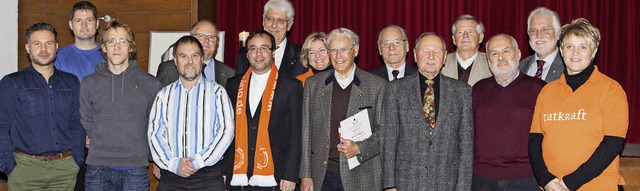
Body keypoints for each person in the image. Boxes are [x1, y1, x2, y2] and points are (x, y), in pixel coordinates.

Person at [529, 18, 628, 191]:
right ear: (561, 50)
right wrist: (546, 179)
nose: (575, 53)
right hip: (552, 187)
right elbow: (534, 141)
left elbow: (613, 144)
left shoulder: (611, 90)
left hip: (597, 186)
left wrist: (570, 182)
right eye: (569, 46)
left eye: (583, 47)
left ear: (594, 51)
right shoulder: (547, 91)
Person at [380, 32, 473, 190]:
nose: (431, 56)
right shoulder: (395, 90)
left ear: (444, 57)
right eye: (425, 51)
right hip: (406, 182)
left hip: (447, 182)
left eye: (436, 52)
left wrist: (463, 187)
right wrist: (389, 185)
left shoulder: (462, 92)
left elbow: (466, 145)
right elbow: (388, 140)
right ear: (415, 55)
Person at [0, 22, 85, 190]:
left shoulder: (71, 82)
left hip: (65, 169)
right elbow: (1, 126)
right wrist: (8, 166)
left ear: (57, 47)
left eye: (49, 43)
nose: (43, 49)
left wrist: (76, 160)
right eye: (37, 44)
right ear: (27, 48)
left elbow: (77, 123)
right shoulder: (12, 82)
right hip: (24, 170)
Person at [80, 20, 162, 190]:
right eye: (111, 42)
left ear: (131, 47)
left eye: (122, 41)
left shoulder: (151, 84)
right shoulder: (89, 83)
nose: (117, 47)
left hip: (136, 169)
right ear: (103, 47)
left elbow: (155, 124)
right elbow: (86, 120)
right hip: (98, 168)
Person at [300, 28, 385, 191]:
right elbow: (306, 133)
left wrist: (360, 147)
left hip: (362, 175)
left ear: (356, 50)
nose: (338, 56)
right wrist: (305, 175)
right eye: (333, 50)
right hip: (322, 177)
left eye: (344, 49)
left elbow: (386, 132)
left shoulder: (377, 86)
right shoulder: (313, 85)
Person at [149, 35, 235, 190]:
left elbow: (226, 132)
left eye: (194, 55)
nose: (189, 61)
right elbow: (155, 134)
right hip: (171, 177)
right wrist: (174, 164)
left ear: (202, 59)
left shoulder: (218, 92)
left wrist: (197, 162)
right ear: (175, 61)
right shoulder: (163, 95)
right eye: (183, 56)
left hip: (208, 178)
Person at [225, 30, 302, 191]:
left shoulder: (291, 86)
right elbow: (228, 132)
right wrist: (225, 171)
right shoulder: (232, 85)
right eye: (253, 48)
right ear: (246, 54)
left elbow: (296, 134)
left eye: (264, 48)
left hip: (277, 176)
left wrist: (290, 175)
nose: (258, 53)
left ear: (273, 52)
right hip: (239, 176)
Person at [471, 34, 545, 191]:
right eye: (494, 53)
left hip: (527, 178)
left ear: (518, 54)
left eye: (506, 51)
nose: (501, 58)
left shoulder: (539, 89)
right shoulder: (477, 89)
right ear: (488, 59)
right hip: (482, 178)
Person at [235, 0, 305, 77]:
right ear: (263, 21)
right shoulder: (245, 53)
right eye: (270, 19)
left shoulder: (301, 55)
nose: (274, 25)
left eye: (280, 20)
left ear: (289, 25)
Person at [156, 20, 234, 87]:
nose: (206, 40)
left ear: (217, 43)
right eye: (201, 36)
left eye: (211, 37)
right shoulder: (168, 69)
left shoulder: (229, 73)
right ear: (191, 38)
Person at [55, 1, 104, 81]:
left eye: (89, 20)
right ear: (71, 25)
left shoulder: (108, 53)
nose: (84, 25)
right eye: (78, 20)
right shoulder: (58, 56)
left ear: (97, 24)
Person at [441, 14, 492, 86]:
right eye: (460, 32)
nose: (465, 36)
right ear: (454, 39)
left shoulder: (491, 64)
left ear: (481, 37)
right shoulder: (440, 63)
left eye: (470, 32)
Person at [519, 7, 565, 82]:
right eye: (533, 30)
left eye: (545, 30)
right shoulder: (520, 67)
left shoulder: (568, 66)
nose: (539, 35)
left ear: (558, 34)